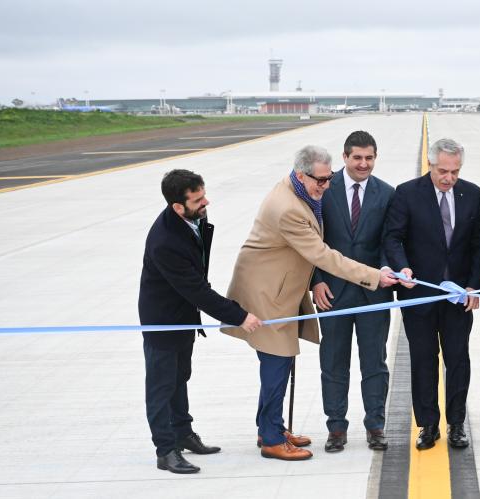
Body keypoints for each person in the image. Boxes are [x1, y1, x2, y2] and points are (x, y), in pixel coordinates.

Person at [222, 146, 398, 461]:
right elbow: (321, 255)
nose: (325, 186)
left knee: (281, 363)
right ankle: (273, 439)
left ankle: (270, 426)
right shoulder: (288, 208)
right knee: (277, 364)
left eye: (328, 180)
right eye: (320, 180)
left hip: (280, 289)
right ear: (301, 174)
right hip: (268, 295)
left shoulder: (296, 189)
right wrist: (373, 276)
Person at [139, 169, 263, 474]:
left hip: (183, 317)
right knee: (161, 387)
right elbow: (197, 290)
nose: (205, 202)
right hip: (163, 321)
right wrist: (239, 316)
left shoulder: (193, 219)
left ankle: (183, 432)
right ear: (177, 207)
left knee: (180, 377)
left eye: (203, 194)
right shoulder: (165, 241)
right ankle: (166, 451)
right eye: (198, 199)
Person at [383, 138, 480, 450]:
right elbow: (393, 238)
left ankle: (456, 424)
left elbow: (479, 243)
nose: (449, 178)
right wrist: (402, 269)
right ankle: (428, 425)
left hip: (458, 297)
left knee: (458, 360)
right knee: (423, 361)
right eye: (443, 171)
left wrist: (473, 284)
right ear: (431, 165)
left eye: (455, 172)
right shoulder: (406, 193)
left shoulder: (472, 193)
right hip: (419, 296)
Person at [311, 131, 395, 453]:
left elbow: (391, 240)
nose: (363, 164)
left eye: (369, 158)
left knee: (375, 363)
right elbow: (311, 241)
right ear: (344, 157)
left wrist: (388, 270)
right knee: (333, 363)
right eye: (357, 157)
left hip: (373, 294)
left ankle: (376, 425)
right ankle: (336, 428)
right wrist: (315, 281)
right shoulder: (322, 188)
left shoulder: (386, 193)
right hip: (331, 293)